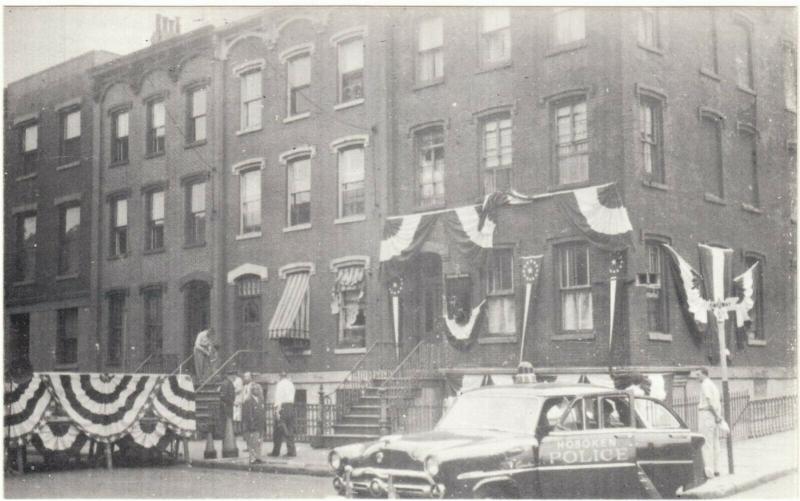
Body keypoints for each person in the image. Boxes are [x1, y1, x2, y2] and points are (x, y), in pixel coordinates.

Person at [696, 367, 723, 479]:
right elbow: (717, 401)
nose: (697, 377)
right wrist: (717, 416)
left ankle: (708, 470)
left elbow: (710, 402)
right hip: (714, 416)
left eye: (698, 374)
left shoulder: (705, 385)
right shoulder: (713, 385)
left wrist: (716, 415)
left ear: (704, 374)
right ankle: (716, 469)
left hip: (707, 414)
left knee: (706, 443)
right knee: (715, 442)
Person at [271, 371, 296, 457]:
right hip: (291, 407)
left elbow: (278, 398)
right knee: (289, 429)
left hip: (282, 407)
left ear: (280, 376)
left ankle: (276, 451)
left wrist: (277, 411)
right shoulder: (291, 384)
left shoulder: (280, 384)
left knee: (279, 430)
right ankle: (292, 450)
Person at [242, 382, 266, 464]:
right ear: (252, 391)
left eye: (258, 389)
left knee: (259, 442)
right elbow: (248, 415)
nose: (257, 391)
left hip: (260, 425)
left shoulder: (261, 400)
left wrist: (264, 426)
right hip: (253, 425)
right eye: (255, 389)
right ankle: (252, 458)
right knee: (252, 442)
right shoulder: (248, 401)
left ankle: (258, 457)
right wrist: (251, 426)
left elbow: (263, 413)